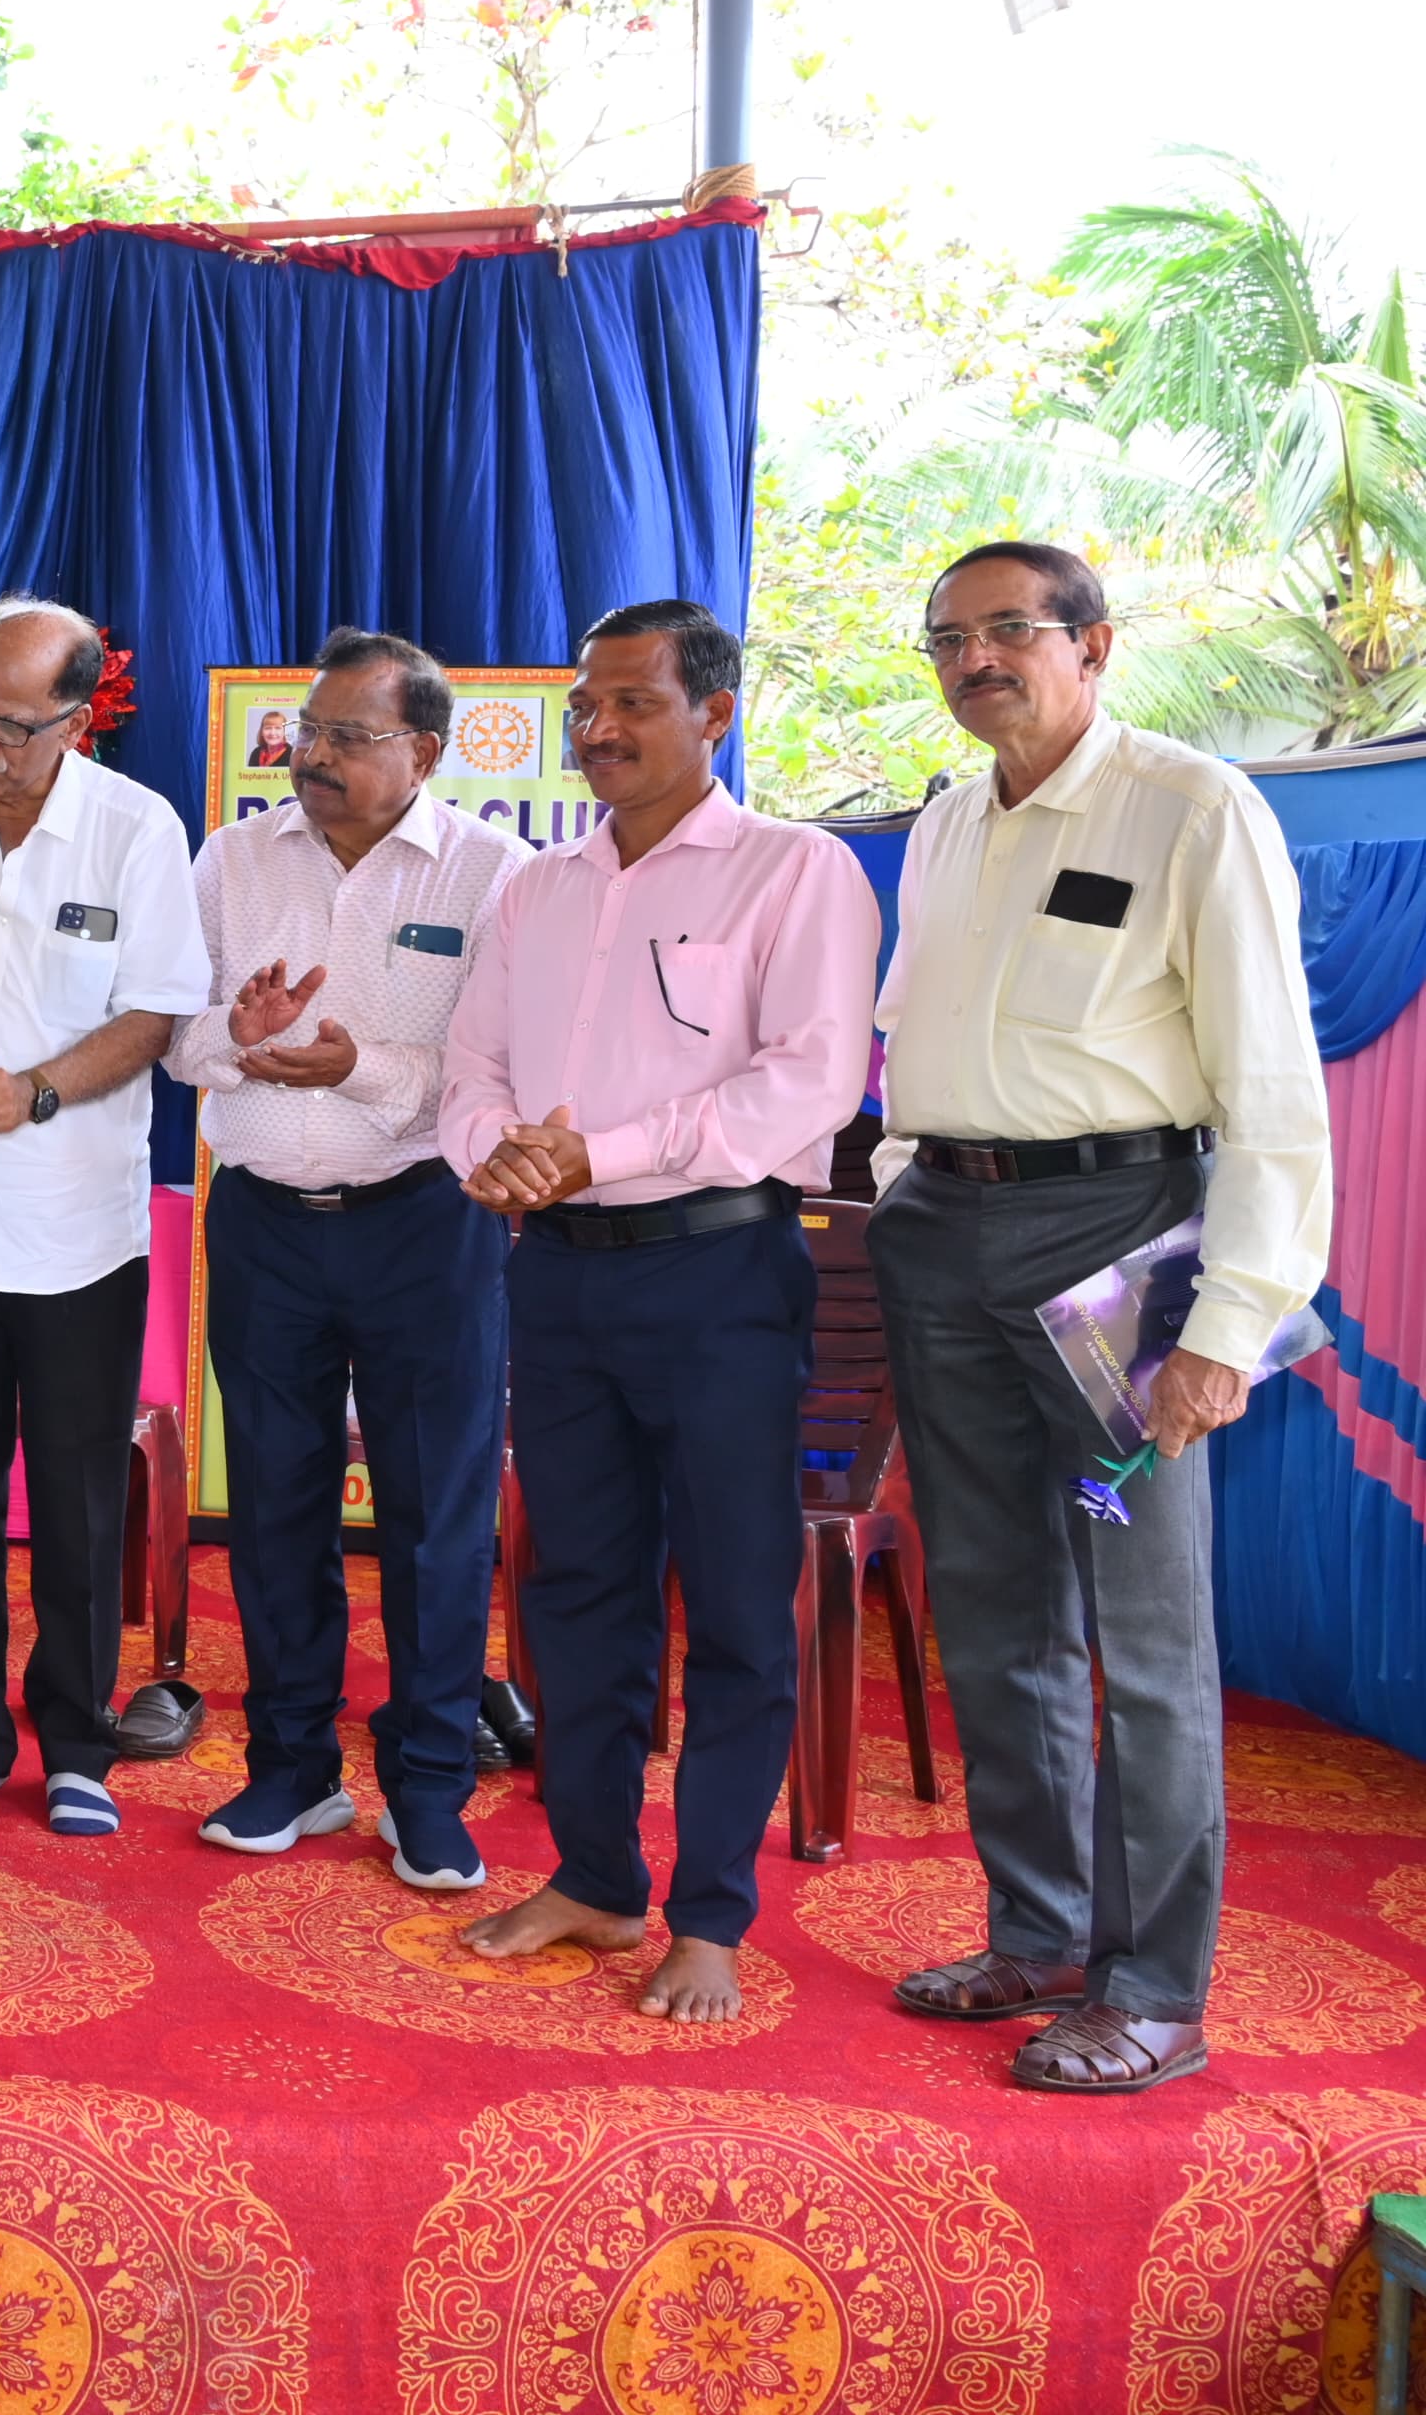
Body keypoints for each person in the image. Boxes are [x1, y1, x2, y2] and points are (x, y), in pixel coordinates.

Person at [872, 541, 1330, 2094]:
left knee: (1141, 1628)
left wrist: (1229, 1323)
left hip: (1120, 1249)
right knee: (995, 1606)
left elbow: (1272, 1086)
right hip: (946, 1240)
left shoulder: (1192, 807)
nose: (976, 658)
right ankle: (1043, 1934)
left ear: (1095, 644)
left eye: (1010, 628)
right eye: (950, 637)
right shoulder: (947, 820)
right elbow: (915, 1024)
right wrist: (906, 1180)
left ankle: (1153, 1988)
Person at [438, 599, 877, 2021]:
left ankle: (711, 1914)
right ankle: (594, 1875)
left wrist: (598, 1152)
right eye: (586, 705)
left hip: (718, 1272)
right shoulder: (537, 888)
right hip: (556, 1270)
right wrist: (496, 1153)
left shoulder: (792, 870)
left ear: (714, 714)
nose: (600, 728)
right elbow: (472, 1064)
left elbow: (807, 1085)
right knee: (576, 1589)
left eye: (632, 700)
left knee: (737, 1597)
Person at [171, 629, 529, 1887]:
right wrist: (237, 1031)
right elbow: (172, 1038)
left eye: (345, 736)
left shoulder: (491, 872)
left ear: (421, 750)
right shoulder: (231, 858)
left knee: (436, 1515)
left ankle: (426, 1784)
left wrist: (355, 1066)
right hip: (263, 1222)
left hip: (423, 1222)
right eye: (305, 731)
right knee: (275, 1504)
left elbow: (498, 1066)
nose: (310, 755)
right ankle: (289, 1768)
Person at [0, 600, 211, 1839]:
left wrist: (36, 1088)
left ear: (77, 720)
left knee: (79, 1504)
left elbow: (157, 1012)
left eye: (11, 726)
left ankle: (76, 1742)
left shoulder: (133, 828)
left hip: (77, 1229)